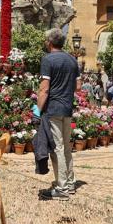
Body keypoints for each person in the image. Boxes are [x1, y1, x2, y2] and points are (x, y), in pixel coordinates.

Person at [36, 28, 81, 201]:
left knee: (57, 148)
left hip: (53, 109)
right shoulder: (72, 59)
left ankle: (61, 189)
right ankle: (70, 183)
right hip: (67, 108)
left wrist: (36, 111)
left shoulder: (48, 59)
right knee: (66, 147)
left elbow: (44, 88)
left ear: (49, 42)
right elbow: (78, 87)